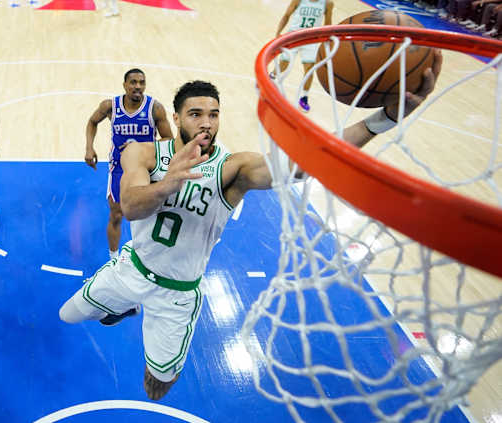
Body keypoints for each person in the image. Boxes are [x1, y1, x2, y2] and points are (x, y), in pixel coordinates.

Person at [60, 51, 442, 400]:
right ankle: (120, 307)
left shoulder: (233, 168)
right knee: (68, 314)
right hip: (132, 269)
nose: (206, 123)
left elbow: (307, 159)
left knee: (157, 386)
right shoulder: (143, 152)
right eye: (196, 114)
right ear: (176, 119)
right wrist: (168, 183)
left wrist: (383, 118)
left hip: (177, 295)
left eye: (213, 114)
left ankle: (140, 330)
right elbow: (130, 205)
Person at [84, 68, 173, 259]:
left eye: (141, 82)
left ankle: (150, 254)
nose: (138, 86)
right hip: (119, 167)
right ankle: (114, 258)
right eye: (133, 82)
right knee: (116, 214)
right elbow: (92, 122)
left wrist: (140, 146)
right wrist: (89, 147)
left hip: (146, 167)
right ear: (124, 85)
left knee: (150, 214)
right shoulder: (110, 106)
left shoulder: (154, 108)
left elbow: (168, 139)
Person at [273, 0, 334, 112]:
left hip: (311, 40)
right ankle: (272, 76)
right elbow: (286, 15)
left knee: (309, 69)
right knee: (284, 65)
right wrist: (278, 33)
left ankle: (304, 98)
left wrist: (327, 40)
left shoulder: (327, 3)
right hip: (293, 36)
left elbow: (328, 24)